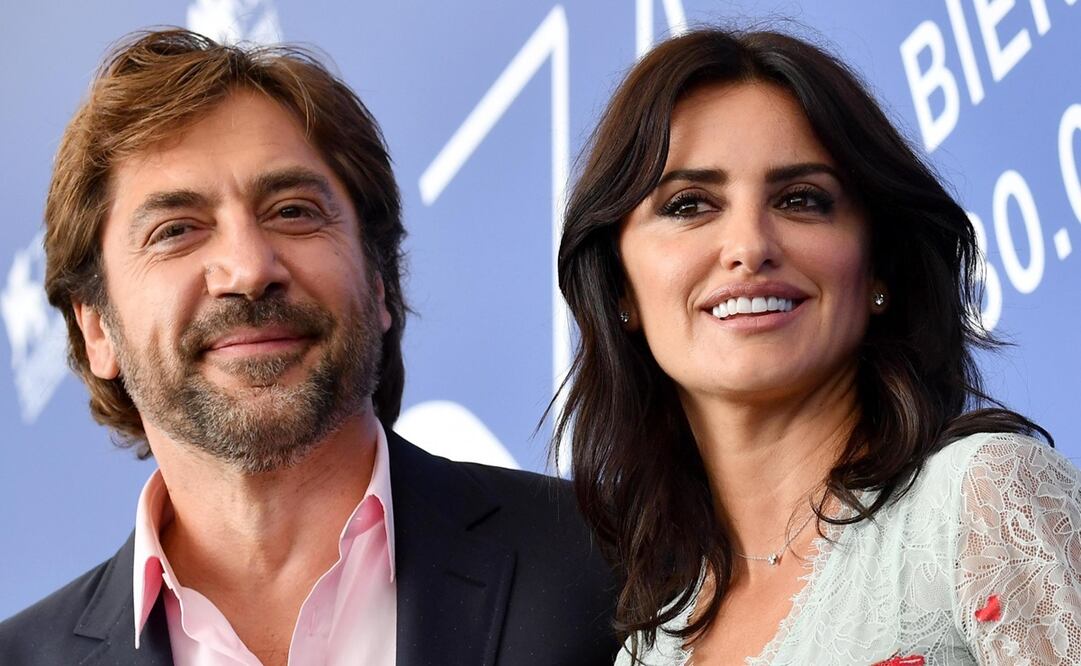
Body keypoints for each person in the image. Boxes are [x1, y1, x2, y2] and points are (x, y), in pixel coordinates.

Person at [0, 29, 616, 666]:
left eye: (293, 212)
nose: (247, 268)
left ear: (379, 282)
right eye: (176, 230)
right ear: (97, 329)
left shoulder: (611, 568)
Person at [554, 27, 1081, 665]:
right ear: (620, 289)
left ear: (878, 266)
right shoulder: (647, 651)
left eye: (801, 200)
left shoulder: (983, 503)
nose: (749, 245)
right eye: (691, 204)